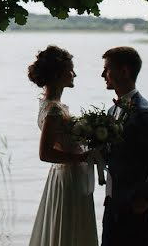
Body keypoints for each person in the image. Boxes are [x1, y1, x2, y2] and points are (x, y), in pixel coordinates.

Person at [100, 46, 148, 246]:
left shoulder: (143, 113)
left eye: (106, 69)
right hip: (112, 204)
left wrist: (146, 199)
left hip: (133, 207)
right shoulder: (111, 111)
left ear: (124, 71)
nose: (102, 75)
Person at [27, 45, 98, 246]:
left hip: (67, 175)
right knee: (71, 228)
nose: (74, 74)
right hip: (69, 176)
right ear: (59, 74)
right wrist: (83, 157)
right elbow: (45, 153)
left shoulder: (49, 104)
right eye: (70, 70)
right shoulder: (54, 110)